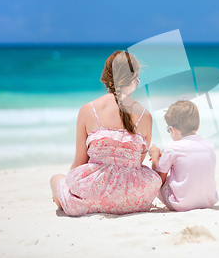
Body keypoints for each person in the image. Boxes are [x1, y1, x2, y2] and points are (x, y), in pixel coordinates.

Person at [50, 50, 162, 216]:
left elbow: (80, 162)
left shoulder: (88, 110)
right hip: (133, 198)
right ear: (134, 77)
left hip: (94, 194)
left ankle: (62, 200)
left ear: (107, 76)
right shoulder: (145, 116)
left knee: (56, 179)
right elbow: (136, 164)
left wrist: (72, 185)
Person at [153, 100, 219, 212]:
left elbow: (158, 180)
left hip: (181, 204)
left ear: (173, 130)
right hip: (208, 201)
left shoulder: (171, 148)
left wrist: (155, 155)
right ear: (197, 127)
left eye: (168, 130)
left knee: (160, 179)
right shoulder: (209, 146)